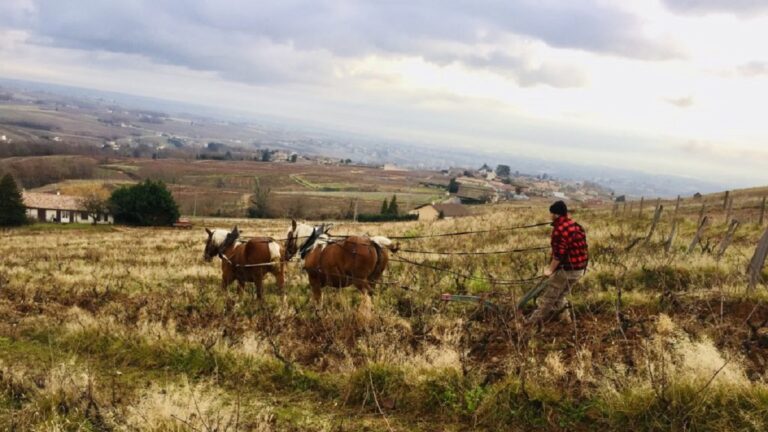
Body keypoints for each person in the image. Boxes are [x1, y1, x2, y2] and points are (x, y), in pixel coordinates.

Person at [526, 200, 588, 325]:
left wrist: (550, 270)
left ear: (555, 214)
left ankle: (531, 323)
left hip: (567, 270)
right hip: (580, 269)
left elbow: (559, 254)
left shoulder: (559, 230)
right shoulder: (576, 225)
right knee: (560, 296)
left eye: (551, 214)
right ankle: (566, 320)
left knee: (548, 299)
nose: (550, 216)